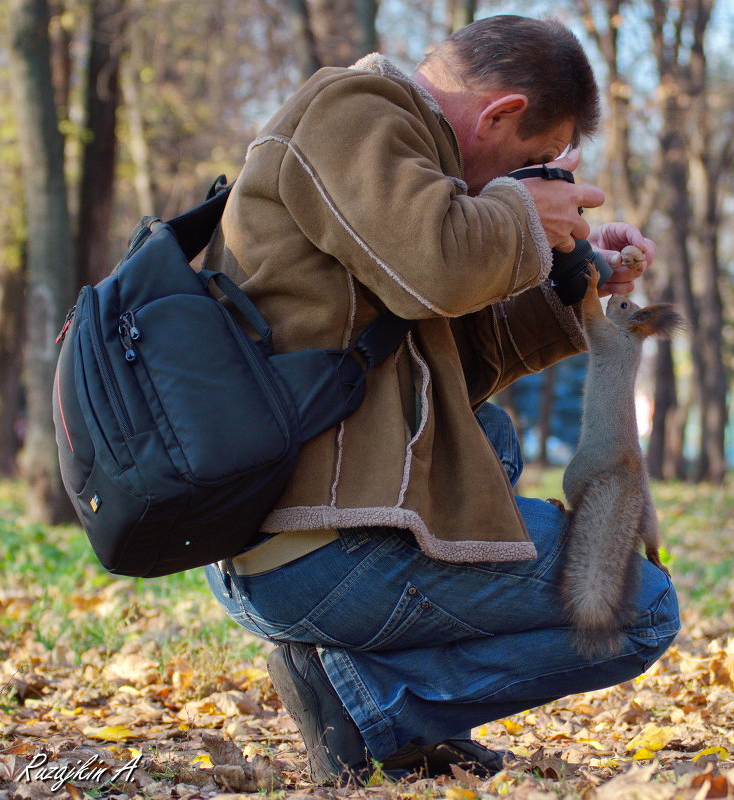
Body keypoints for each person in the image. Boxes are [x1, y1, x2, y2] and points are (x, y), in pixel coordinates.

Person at [203, 14, 679, 784]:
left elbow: (448, 366)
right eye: (530, 161)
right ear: (498, 115)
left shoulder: (400, 165)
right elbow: (440, 267)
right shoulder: (351, 111)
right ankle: (371, 705)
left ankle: (360, 689)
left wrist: (573, 278)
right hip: (313, 544)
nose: (525, 182)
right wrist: (526, 216)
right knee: (640, 605)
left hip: (319, 534)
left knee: (488, 441)